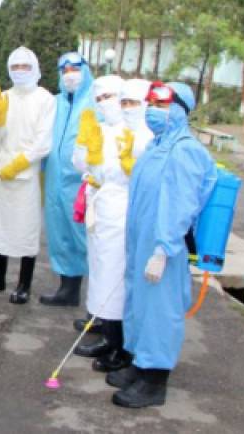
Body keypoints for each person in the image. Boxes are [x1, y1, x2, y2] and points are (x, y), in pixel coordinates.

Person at [107, 81, 216, 409]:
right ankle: (138, 363)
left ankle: (154, 380)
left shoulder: (185, 150)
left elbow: (181, 203)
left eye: (162, 105)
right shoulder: (156, 145)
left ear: (181, 110)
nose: (153, 111)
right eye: (151, 103)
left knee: (160, 309)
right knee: (138, 302)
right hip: (142, 239)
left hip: (163, 246)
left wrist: (163, 250)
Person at [69, 75, 152, 372]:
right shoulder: (102, 129)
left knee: (114, 273)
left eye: (115, 98)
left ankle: (118, 343)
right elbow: (83, 165)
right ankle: (104, 327)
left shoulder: (143, 134)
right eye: (100, 98)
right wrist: (85, 145)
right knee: (100, 267)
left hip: (123, 208)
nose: (108, 103)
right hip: (100, 204)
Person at [0, 47, 55, 303]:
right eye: (15, 67)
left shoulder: (45, 99)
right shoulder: (3, 97)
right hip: (0, 170)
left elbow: (43, 142)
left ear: (35, 69)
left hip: (26, 172)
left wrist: (19, 164)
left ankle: (24, 284)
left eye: (25, 66)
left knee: (26, 228)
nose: (20, 71)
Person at [41, 51, 95, 306]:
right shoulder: (56, 103)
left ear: (86, 70)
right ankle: (68, 289)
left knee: (87, 238)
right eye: (64, 71)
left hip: (83, 182)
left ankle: (101, 299)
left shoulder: (96, 101)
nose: (70, 75)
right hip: (55, 179)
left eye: (75, 69)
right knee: (60, 234)